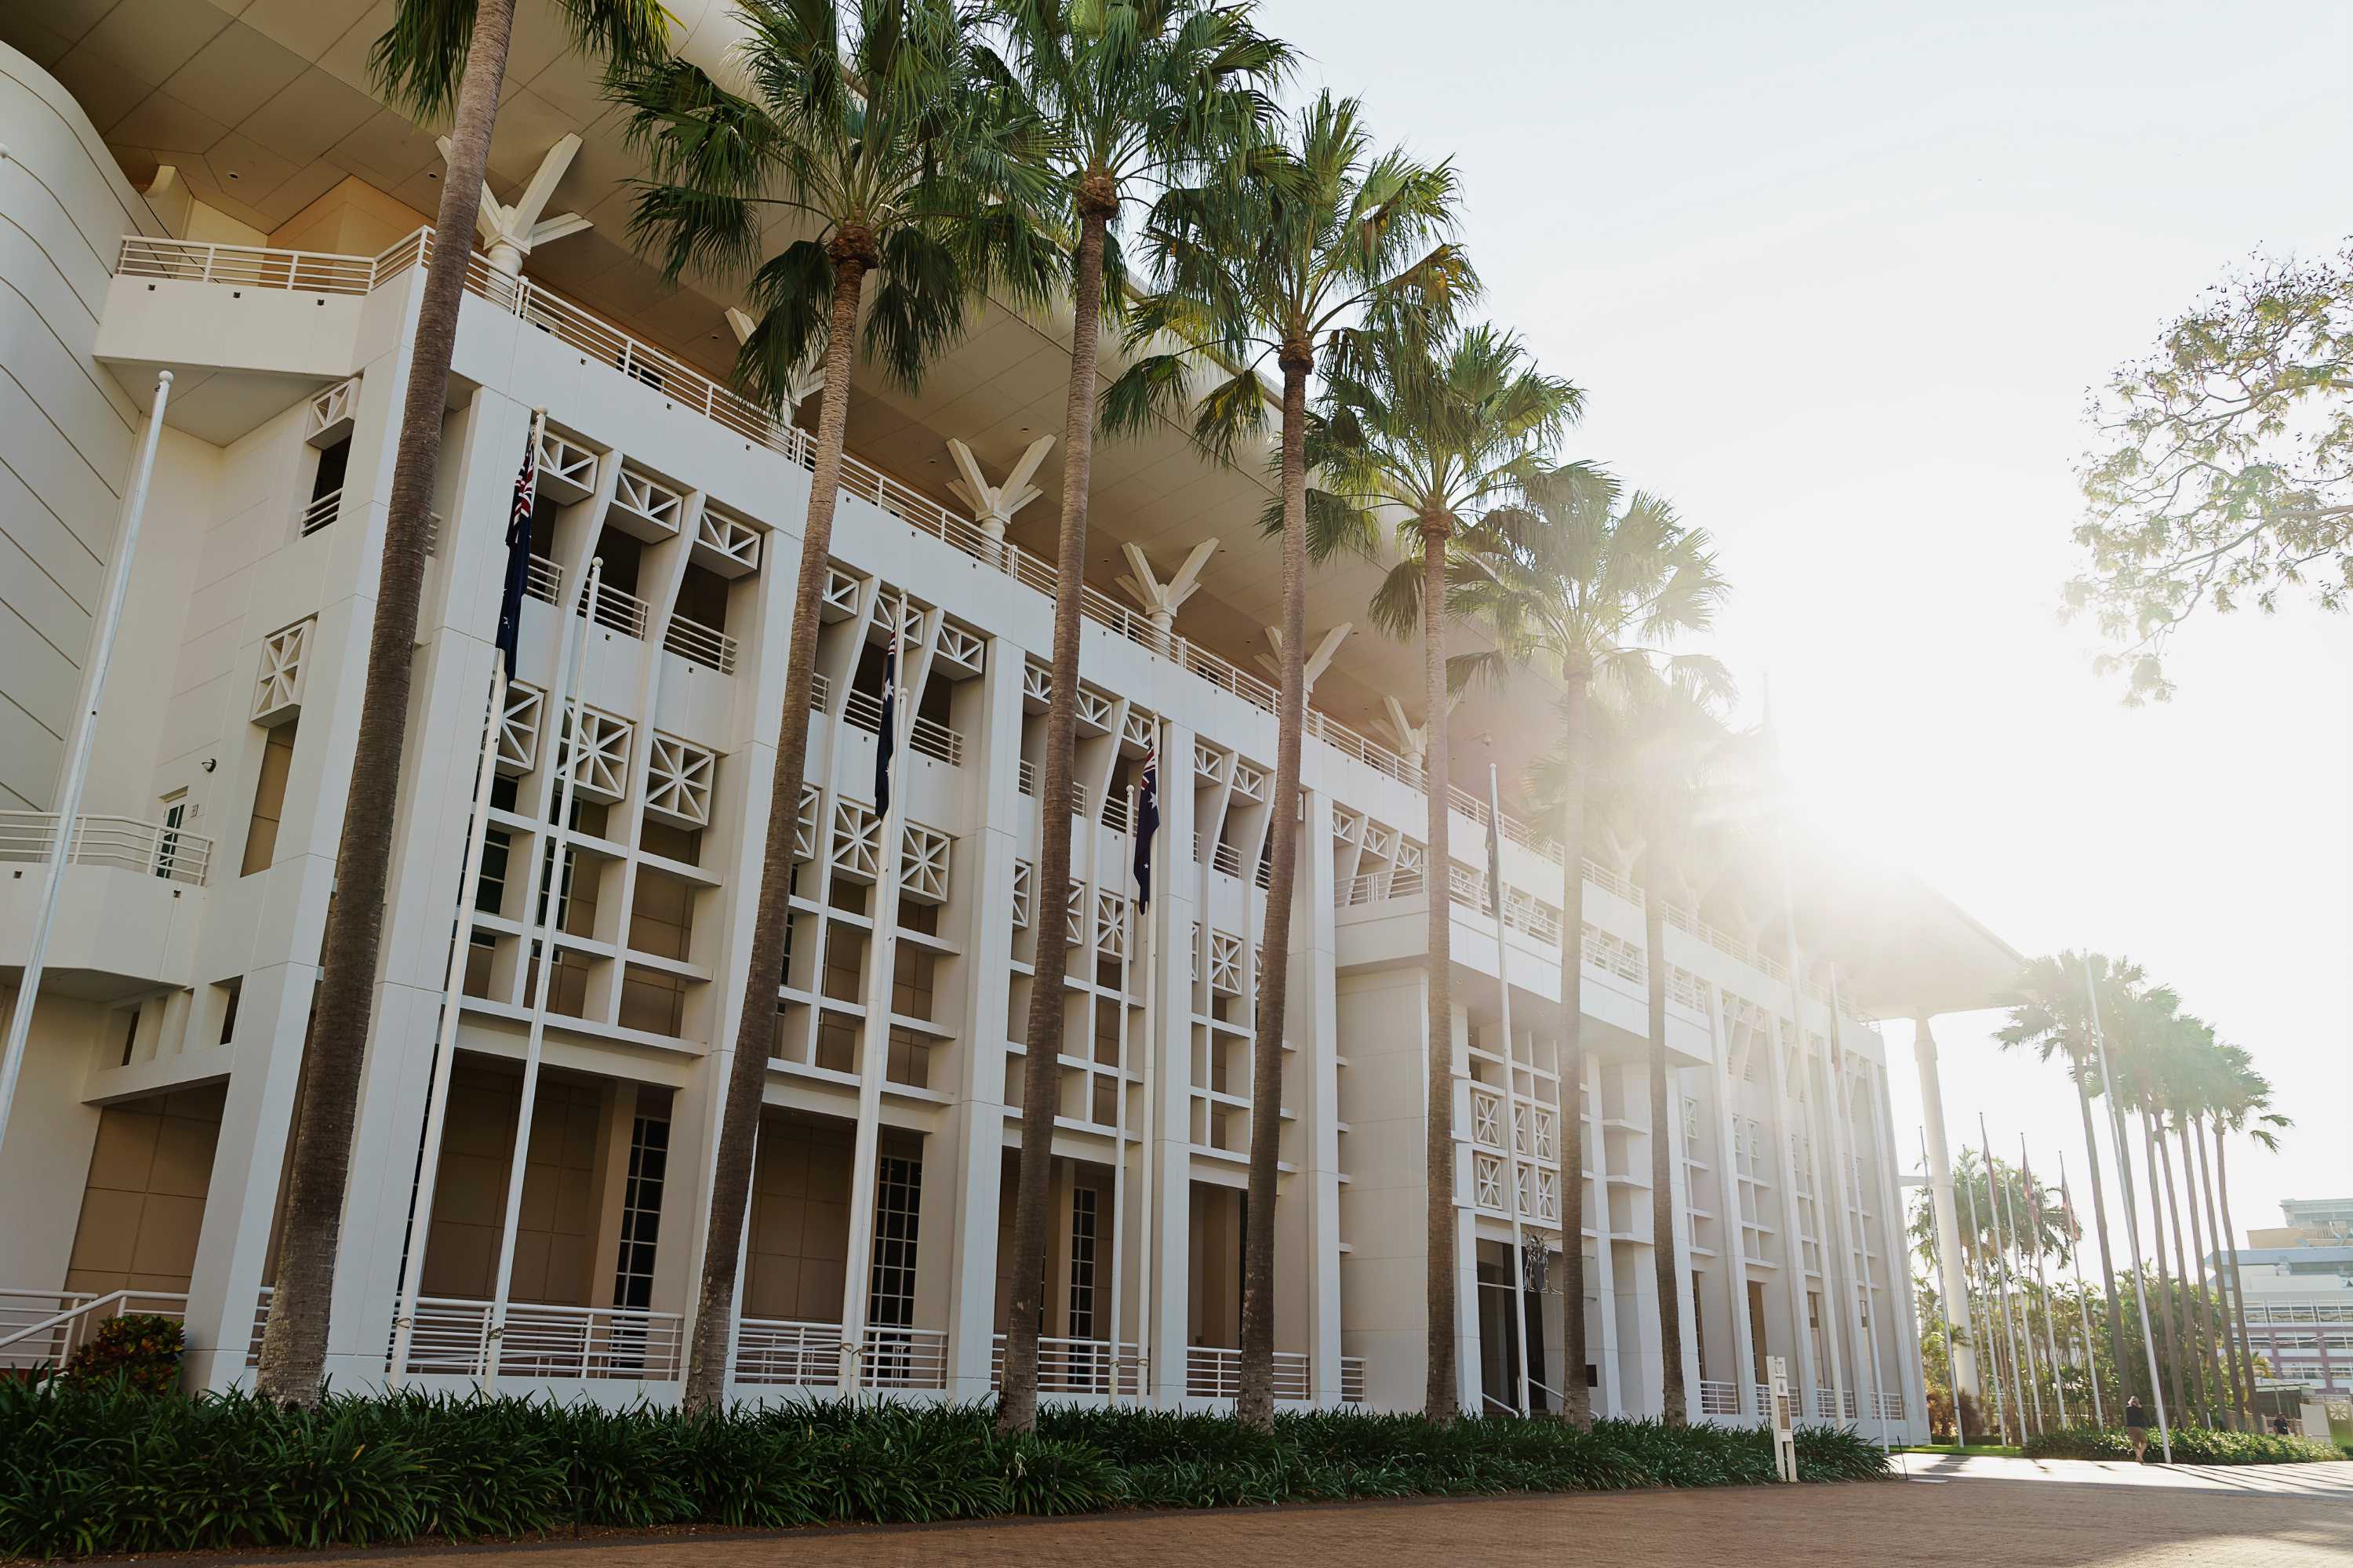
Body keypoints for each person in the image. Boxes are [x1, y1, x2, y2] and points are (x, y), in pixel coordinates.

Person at [2125, 1395, 2150, 1462]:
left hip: (2130, 1428)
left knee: (2136, 1443)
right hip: (2138, 1427)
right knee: (2144, 1442)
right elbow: (2142, 1416)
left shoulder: (2128, 1409)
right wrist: (2139, 1407)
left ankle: (2138, 1458)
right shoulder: (2139, 1409)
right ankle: (2139, 1456)